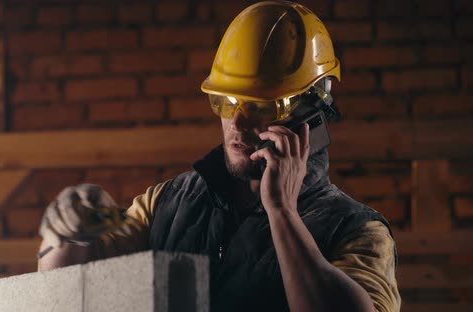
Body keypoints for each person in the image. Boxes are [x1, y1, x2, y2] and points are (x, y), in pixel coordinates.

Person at [37, 1, 400, 311]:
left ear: (311, 113)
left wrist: (282, 213)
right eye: (225, 102)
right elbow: (65, 288)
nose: (237, 123)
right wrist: (68, 231)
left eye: (259, 105)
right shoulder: (165, 204)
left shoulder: (357, 232)